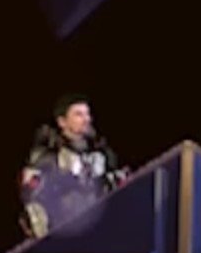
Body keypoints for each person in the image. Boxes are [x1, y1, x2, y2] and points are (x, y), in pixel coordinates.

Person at [19, 95, 127, 238]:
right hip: (64, 231)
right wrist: (61, 176)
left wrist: (113, 180)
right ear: (62, 121)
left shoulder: (101, 150)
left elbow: (118, 178)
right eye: (78, 114)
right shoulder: (47, 155)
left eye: (87, 114)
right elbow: (31, 193)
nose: (86, 119)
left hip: (101, 226)